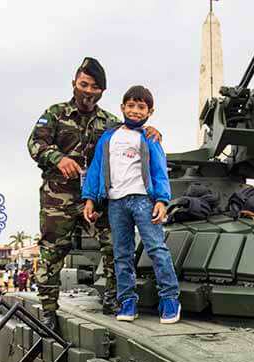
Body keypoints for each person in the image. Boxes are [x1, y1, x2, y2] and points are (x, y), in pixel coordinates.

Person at [28, 57, 163, 329]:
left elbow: (133, 136)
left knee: (115, 247)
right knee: (52, 254)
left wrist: (150, 130)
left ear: (102, 91)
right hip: (59, 199)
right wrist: (58, 158)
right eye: (84, 84)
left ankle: (114, 300)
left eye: (95, 87)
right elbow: (35, 143)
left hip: (100, 199)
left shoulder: (111, 122)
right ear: (75, 84)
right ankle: (48, 310)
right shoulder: (55, 113)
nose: (88, 91)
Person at [82, 85, 181, 324]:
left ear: (150, 111)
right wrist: (90, 199)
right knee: (122, 254)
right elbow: (96, 169)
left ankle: (170, 299)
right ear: (122, 108)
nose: (135, 111)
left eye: (141, 107)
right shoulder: (109, 137)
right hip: (116, 202)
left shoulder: (149, 137)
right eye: (131, 106)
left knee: (157, 249)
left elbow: (159, 170)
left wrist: (162, 200)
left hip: (143, 200)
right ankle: (127, 301)